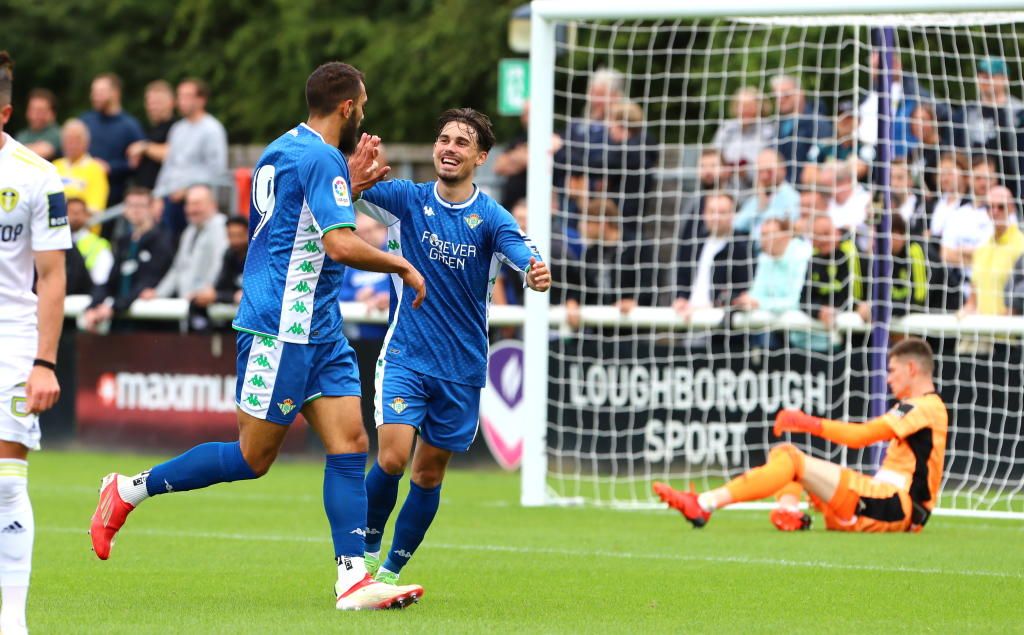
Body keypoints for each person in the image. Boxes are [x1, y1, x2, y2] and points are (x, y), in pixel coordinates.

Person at [89, 61, 427, 611]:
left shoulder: (284, 148)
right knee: (253, 457)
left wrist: (353, 183)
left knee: (350, 443)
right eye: (361, 101)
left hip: (318, 327)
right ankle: (127, 490)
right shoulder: (321, 158)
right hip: (281, 327)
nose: (364, 109)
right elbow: (339, 245)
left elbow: (297, 223)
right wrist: (404, 266)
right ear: (347, 106)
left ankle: (352, 581)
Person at [354, 108, 551, 585]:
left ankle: (392, 570)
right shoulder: (405, 198)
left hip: (461, 367)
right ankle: (364, 546)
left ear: (481, 157)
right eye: (444, 138)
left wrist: (535, 269)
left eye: (462, 142)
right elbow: (344, 190)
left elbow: (522, 251)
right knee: (393, 457)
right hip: (406, 353)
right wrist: (352, 171)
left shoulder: (491, 217)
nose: (449, 147)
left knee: (427, 474)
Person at [654, 337, 948, 534]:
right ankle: (789, 511)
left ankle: (703, 503)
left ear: (912, 368)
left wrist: (808, 423)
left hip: (896, 508)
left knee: (793, 461)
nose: (888, 378)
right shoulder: (916, 407)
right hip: (877, 501)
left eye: (893, 370)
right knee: (784, 453)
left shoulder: (927, 407)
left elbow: (863, 436)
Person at [0, 51, 71, 635]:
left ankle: (13, 621)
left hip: (11, 340)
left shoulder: (37, 176)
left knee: (5, 483)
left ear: (4, 111)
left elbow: (51, 276)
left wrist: (44, 361)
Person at [81, 187, 174, 332]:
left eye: (141, 206)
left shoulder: (162, 240)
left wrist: (114, 307)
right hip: (121, 321)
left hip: (150, 325)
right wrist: (93, 307)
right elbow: (110, 281)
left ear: (151, 208)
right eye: (131, 205)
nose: (135, 210)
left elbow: (149, 281)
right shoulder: (123, 242)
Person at [564, 197, 656, 330]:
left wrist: (635, 301)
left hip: (633, 330)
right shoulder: (590, 254)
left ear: (603, 222)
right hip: (600, 330)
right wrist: (572, 301)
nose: (582, 226)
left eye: (588, 222)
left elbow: (650, 283)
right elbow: (579, 286)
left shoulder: (638, 247)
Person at [154, 78, 229, 239]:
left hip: (195, 202)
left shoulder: (212, 129)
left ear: (201, 100)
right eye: (180, 96)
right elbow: (169, 165)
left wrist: (188, 189)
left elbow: (216, 170)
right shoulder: (177, 129)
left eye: (187, 96)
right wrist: (158, 196)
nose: (181, 101)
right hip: (170, 199)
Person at [139, 185, 228, 319]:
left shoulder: (221, 227)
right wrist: (158, 293)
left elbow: (220, 263)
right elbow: (178, 268)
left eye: (197, 204)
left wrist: (209, 290)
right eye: (188, 204)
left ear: (212, 205)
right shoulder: (189, 231)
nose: (191, 209)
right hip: (188, 302)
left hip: (209, 305)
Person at [674, 192, 754, 319]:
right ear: (704, 213)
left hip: (717, 323)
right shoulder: (693, 244)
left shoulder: (742, 248)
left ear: (732, 215)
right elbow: (682, 279)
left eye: (721, 212)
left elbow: (742, 291)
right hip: (686, 318)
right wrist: (682, 298)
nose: (716, 217)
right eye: (712, 211)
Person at [79, 72, 144, 207]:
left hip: (115, 198)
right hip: (83, 196)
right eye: (93, 92)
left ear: (115, 93)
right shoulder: (85, 122)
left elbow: (135, 164)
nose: (94, 97)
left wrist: (110, 167)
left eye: (100, 92)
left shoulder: (130, 126)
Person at [962, 185, 1024, 317]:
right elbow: (972, 302)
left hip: (1009, 331)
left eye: (1001, 207)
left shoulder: (1021, 245)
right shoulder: (981, 249)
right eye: (989, 207)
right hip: (981, 330)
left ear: (1012, 208)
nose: (995, 211)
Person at [770, 74, 832, 184]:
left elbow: (825, 158)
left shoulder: (818, 123)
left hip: (808, 190)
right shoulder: (777, 125)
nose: (781, 100)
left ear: (800, 93)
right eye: (777, 96)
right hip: (780, 190)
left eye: (786, 95)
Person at [337, 212, 390, 341]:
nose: (365, 238)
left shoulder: (396, 256)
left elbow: (406, 287)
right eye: (359, 234)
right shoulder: (351, 261)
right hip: (359, 338)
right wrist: (356, 295)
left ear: (383, 229)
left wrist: (385, 297)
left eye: (368, 231)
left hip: (390, 339)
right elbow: (338, 293)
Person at [733, 148, 800, 245]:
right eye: (760, 172)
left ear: (782, 170)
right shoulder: (756, 198)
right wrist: (760, 206)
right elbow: (736, 225)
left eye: (769, 171)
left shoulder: (793, 198)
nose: (764, 176)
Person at [712, 87, 775, 187]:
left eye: (750, 106)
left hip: (758, 188)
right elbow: (714, 156)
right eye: (741, 106)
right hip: (727, 188)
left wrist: (746, 173)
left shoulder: (768, 132)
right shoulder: (726, 129)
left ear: (760, 107)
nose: (745, 110)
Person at [126, 80, 177, 190]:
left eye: (157, 103)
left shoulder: (177, 128)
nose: (152, 107)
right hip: (143, 193)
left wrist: (144, 147)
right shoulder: (150, 129)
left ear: (171, 103)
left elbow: (172, 153)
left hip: (164, 194)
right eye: (149, 103)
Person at [189, 214, 249, 310]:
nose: (235, 240)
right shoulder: (229, 254)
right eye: (231, 235)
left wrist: (221, 296)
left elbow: (248, 295)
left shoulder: (256, 257)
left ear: (248, 234)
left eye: (239, 235)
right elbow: (221, 284)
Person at [53, 118, 109, 215]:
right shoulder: (54, 167)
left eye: (77, 139)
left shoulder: (96, 169)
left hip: (83, 228)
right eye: (68, 139)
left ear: (86, 142)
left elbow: (95, 209)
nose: (72, 144)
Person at [66, 196, 113, 287]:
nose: (75, 216)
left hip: (84, 294)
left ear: (87, 216)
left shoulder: (98, 245)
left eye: (79, 212)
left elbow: (102, 280)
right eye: (70, 212)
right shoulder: (52, 242)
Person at [14, 88, 60, 161]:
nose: (35, 115)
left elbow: (39, 154)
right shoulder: (22, 135)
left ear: (52, 114)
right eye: (32, 109)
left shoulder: (57, 134)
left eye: (40, 111)